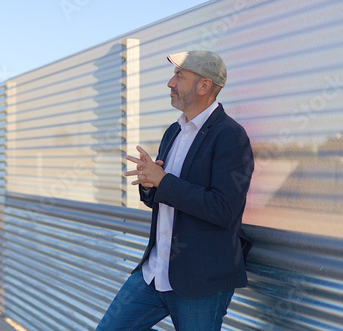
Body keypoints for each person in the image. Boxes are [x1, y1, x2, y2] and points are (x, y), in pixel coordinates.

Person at [96, 50, 254, 330]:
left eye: (179, 76)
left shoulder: (230, 137)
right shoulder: (174, 131)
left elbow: (224, 209)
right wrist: (150, 186)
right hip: (153, 274)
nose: (170, 83)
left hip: (200, 284)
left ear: (204, 86)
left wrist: (163, 181)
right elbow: (166, 197)